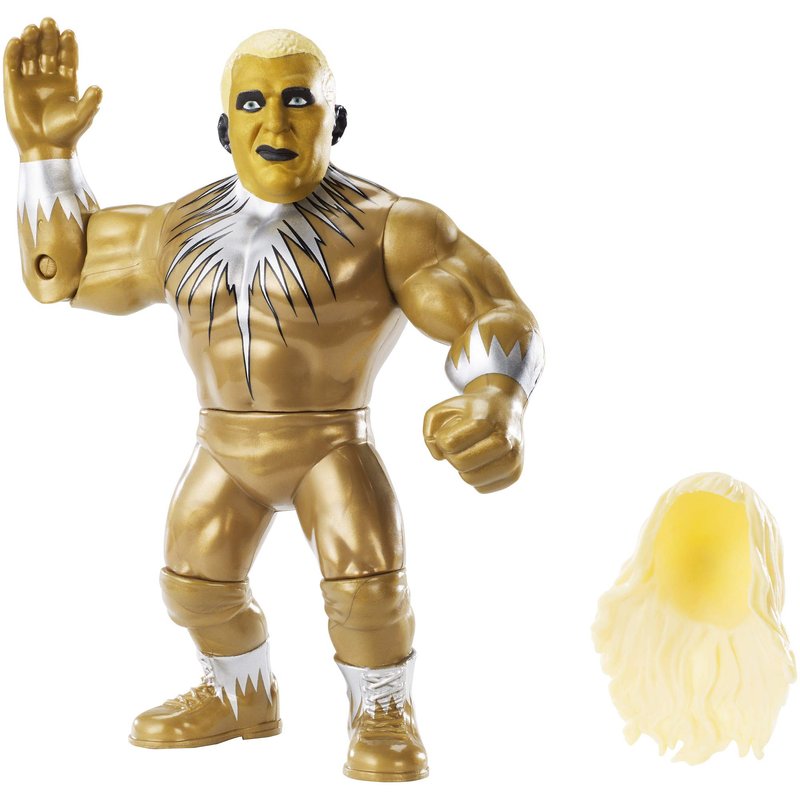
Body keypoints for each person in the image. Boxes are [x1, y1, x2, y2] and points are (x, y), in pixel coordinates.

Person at [5, 19, 544, 782]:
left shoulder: (393, 228)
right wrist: (45, 156)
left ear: (336, 120)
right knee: (192, 583)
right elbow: (62, 273)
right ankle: (240, 698)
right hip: (223, 447)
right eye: (253, 103)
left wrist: (497, 398)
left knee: (365, 587)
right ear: (225, 129)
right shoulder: (176, 229)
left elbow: (491, 310)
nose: (276, 123)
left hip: (332, 445)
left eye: (297, 99)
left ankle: (384, 713)